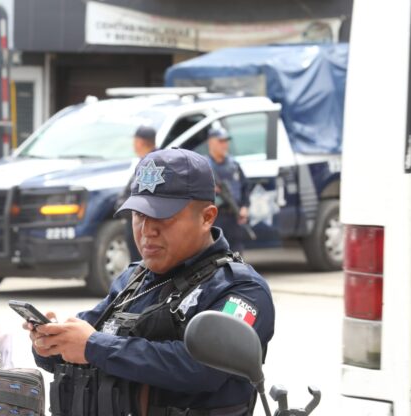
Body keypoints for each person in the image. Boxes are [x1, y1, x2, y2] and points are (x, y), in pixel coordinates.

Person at [24, 148, 275, 415]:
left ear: (207, 217)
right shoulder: (133, 279)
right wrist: (51, 342)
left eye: (163, 217)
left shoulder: (242, 290)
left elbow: (204, 369)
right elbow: (84, 340)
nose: (147, 231)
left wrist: (94, 346)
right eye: (139, 215)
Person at [207, 125, 251, 253]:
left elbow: (245, 187)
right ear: (211, 142)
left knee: (236, 253)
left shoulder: (233, 164)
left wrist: (244, 207)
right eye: (220, 141)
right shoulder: (204, 165)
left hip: (234, 216)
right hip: (215, 217)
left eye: (226, 141)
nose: (224, 145)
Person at [121, 125, 157, 262]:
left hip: (143, 224)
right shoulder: (149, 160)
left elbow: (145, 199)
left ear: (139, 142)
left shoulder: (151, 163)